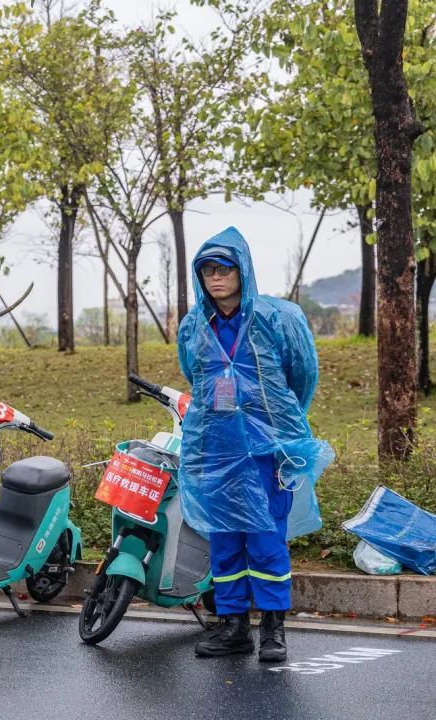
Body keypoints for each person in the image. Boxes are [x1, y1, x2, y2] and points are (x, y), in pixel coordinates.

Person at [176, 227, 333, 662]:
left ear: (242, 270)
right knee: (224, 540)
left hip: (268, 450)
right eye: (207, 269)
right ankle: (233, 627)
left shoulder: (276, 318)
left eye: (224, 268)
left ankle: (273, 630)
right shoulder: (194, 325)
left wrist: (277, 423)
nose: (216, 276)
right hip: (217, 449)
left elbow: (302, 375)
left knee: (266, 539)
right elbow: (195, 376)